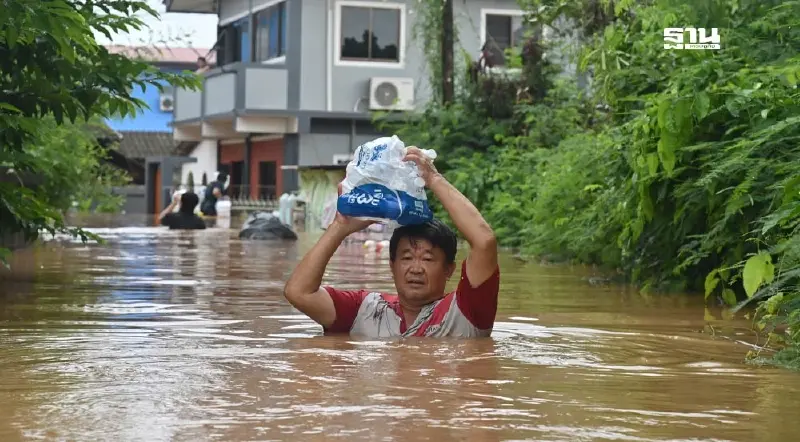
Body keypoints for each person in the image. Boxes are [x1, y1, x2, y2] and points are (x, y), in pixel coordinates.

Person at [283, 147, 500, 338]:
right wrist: (340, 227)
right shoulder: (364, 309)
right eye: (406, 257)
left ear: (449, 270)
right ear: (391, 265)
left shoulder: (466, 311)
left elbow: (484, 241)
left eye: (427, 258)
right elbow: (299, 293)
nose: (416, 269)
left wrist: (433, 179)